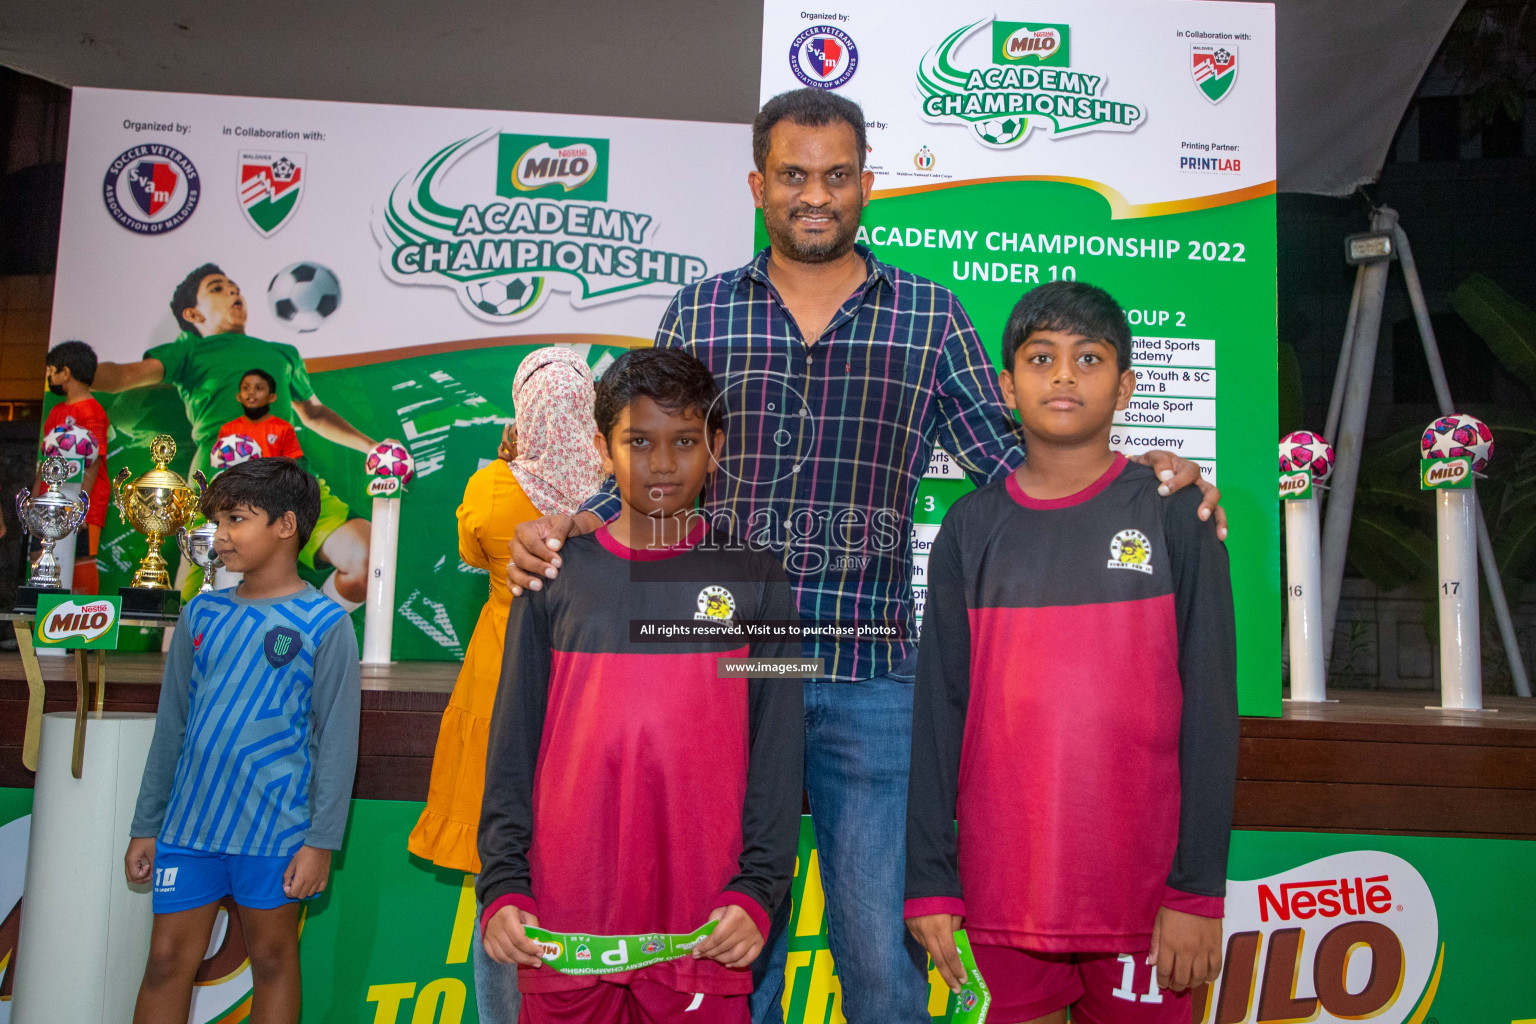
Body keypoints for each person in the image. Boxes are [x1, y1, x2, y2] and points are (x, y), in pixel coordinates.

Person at [507, 89, 1226, 1023]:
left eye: (837, 175)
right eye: (796, 176)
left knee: (886, 968)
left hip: (870, 680)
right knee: (730, 960)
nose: (818, 194)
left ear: (867, 186)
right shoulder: (701, 310)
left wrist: (1147, 479)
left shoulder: (928, 315)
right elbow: (654, 456)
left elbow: (1031, 470)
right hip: (716, 671)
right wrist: (567, 524)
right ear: (759, 186)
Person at [904, 282, 1238, 1024]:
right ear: (1006, 386)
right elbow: (938, 713)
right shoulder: (969, 529)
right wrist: (930, 880)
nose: (1062, 376)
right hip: (1001, 896)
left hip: (1147, 900)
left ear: (1123, 387)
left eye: (1088, 359)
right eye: (1041, 358)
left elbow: (1212, 714)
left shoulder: (1175, 512)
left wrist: (1196, 890)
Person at [478, 348, 804, 1024]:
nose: (661, 463)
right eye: (638, 442)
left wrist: (757, 889)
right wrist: (505, 882)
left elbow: (778, 749)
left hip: (706, 921)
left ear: (715, 445)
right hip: (564, 922)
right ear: (602, 448)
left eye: (684, 441)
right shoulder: (554, 574)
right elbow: (513, 740)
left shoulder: (759, 578)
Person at [124, 457, 361, 1024]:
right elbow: (172, 728)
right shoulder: (200, 613)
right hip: (188, 828)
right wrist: (146, 825)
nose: (220, 535)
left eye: (235, 519)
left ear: (285, 525)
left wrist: (320, 841)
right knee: (163, 963)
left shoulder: (326, 624)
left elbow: (337, 745)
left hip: (276, 833)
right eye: (218, 521)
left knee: (274, 963)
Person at [408, 346, 604, 1022]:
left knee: (501, 886)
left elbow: (470, 551)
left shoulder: (490, 486)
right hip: (587, 688)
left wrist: (506, 460)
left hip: (499, 684)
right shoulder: (611, 490)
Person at [92, 264, 381, 608]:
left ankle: (304, 635)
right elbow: (124, 376)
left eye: (234, 286)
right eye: (217, 288)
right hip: (220, 488)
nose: (233, 291)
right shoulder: (189, 351)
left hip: (289, 486)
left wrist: (373, 448)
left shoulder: (282, 353)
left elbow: (314, 412)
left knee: (366, 558)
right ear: (193, 313)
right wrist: (79, 370)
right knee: (197, 607)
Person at [37, 340, 110, 593]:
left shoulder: (93, 411)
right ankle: (45, 618)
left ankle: (80, 618)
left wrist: (80, 504)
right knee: (45, 554)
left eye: (51, 370)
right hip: (51, 500)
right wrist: (36, 499)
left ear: (64, 373)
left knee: (80, 557)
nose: (49, 376)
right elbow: (44, 461)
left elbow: (93, 462)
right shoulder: (56, 411)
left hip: (83, 502)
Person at [215, 368, 305, 460]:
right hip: (238, 474)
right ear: (239, 396)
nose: (251, 393)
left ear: (272, 397)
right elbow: (221, 461)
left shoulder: (284, 428)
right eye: (246, 388)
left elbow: (291, 464)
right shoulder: (227, 429)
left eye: (259, 388)